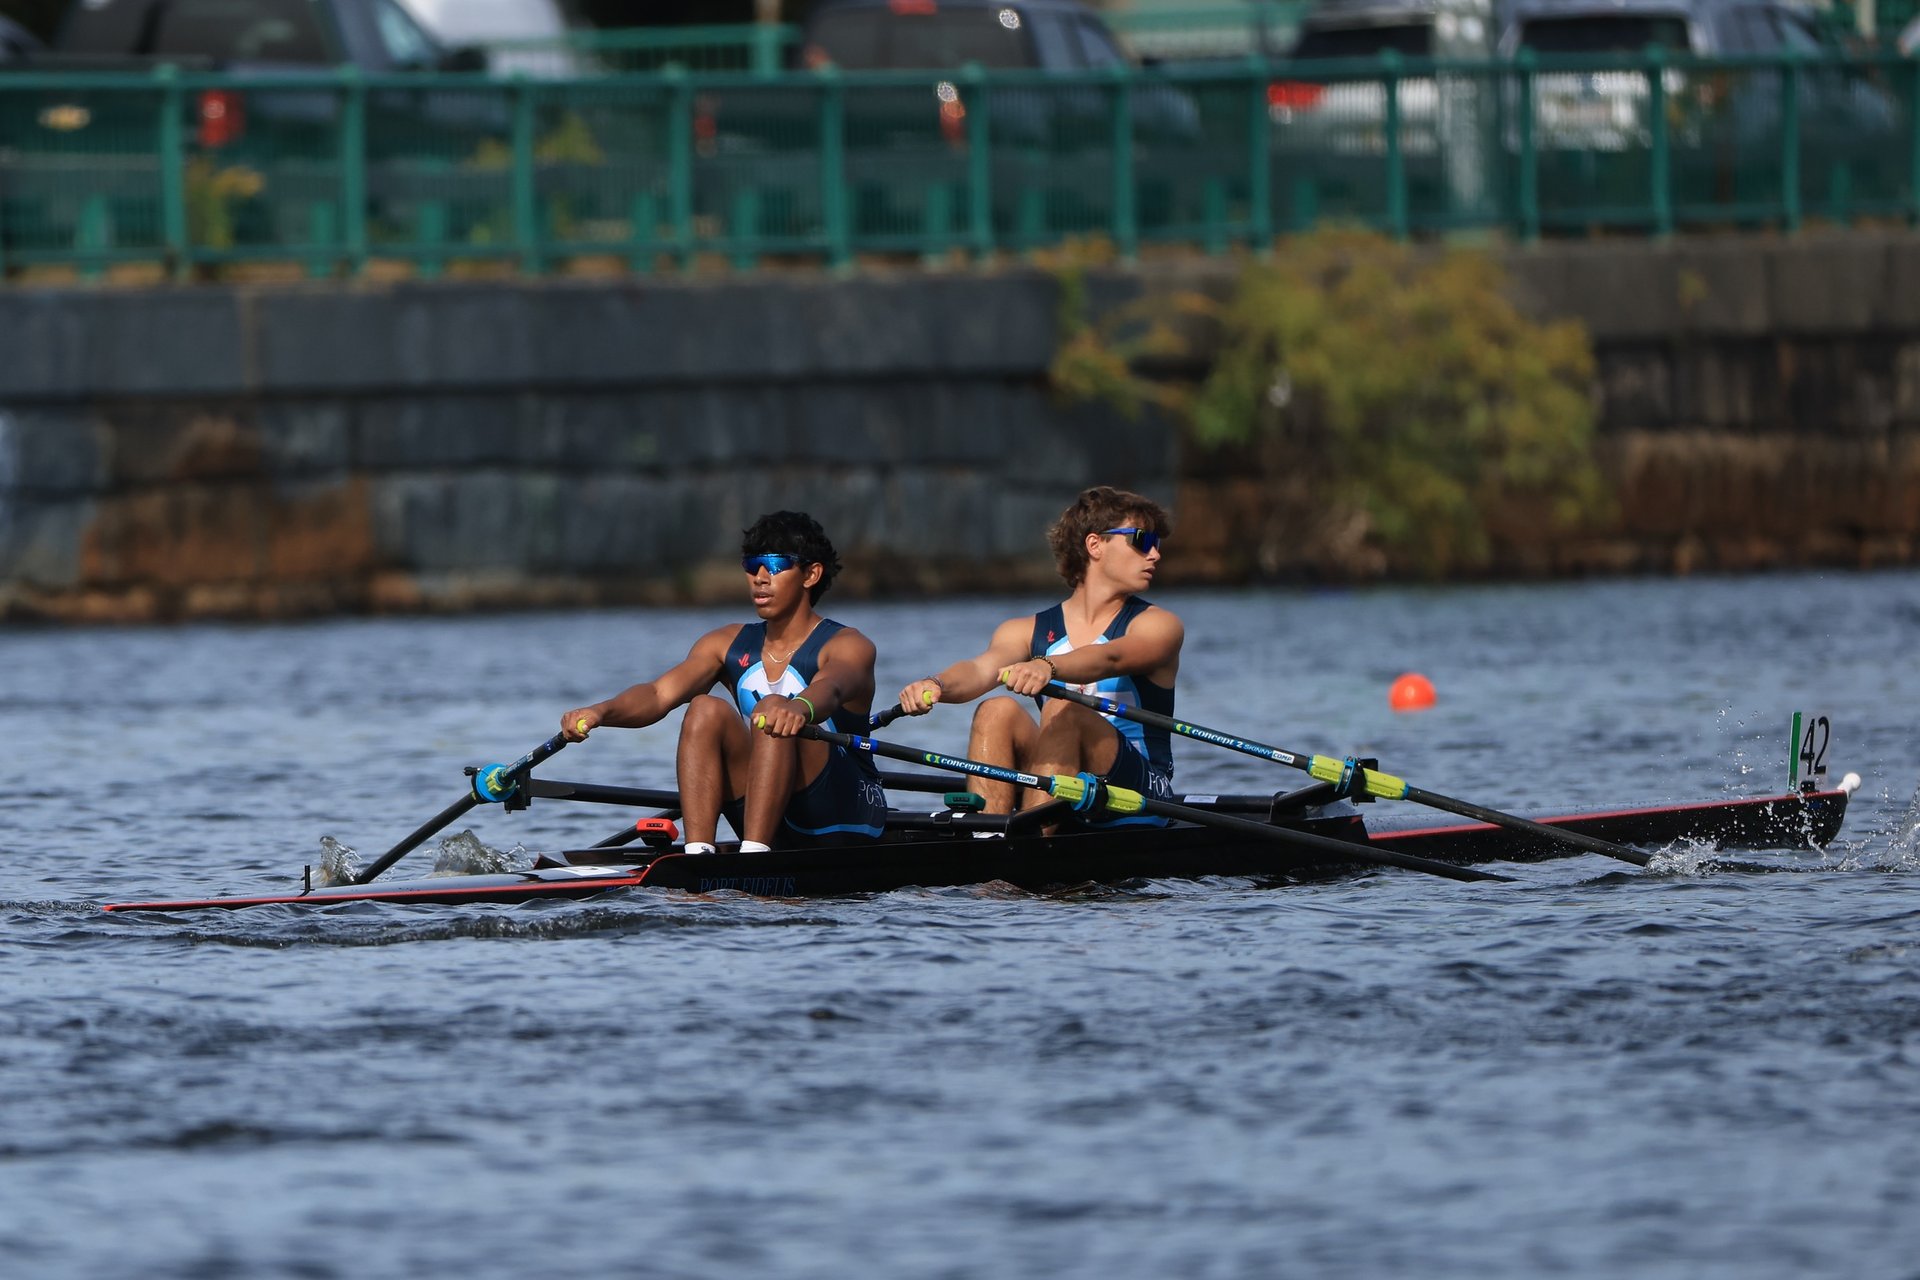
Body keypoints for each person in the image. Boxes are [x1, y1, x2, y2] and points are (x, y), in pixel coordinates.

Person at [561, 511, 887, 853]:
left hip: (846, 814)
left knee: (771, 709)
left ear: (811, 574)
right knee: (704, 709)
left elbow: (832, 687)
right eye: (751, 565)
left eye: (774, 565)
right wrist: (600, 711)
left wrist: (799, 708)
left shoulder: (849, 645)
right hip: (773, 812)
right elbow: (658, 694)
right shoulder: (725, 644)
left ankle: (754, 856)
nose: (759, 578)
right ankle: (699, 854)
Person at [897, 486, 1182, 819]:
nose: (1155, 554)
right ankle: (988, 835)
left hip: (1140, 790)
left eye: (1156, 544)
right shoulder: (1023, 630)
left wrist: (1048, 665)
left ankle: (1031, 842)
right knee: (995, 710)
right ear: (1095, 545)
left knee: (1065, 708)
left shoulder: (1159, 625)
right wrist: (935, 684)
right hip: (1066, 779)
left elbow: (1111, 658)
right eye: (1141, 540)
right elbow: (979, 670)